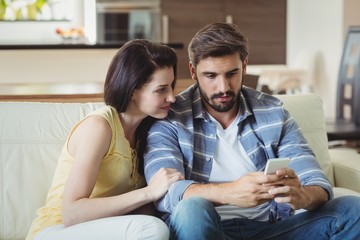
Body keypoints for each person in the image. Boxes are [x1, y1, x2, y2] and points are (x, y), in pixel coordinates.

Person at [144, 23, 360, 239]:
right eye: (211, 76)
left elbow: (316, 181)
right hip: (208, 230)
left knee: (352, 209)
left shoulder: (273, 112)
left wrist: (303, 196)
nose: (223, 87)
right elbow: (165, 194)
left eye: (232, 73)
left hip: (272, 230)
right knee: (192, 210)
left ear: (244, 66)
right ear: (193, 71)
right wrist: (231, 192)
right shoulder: (170, 117)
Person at [26, 39, 184, 240]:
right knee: (151, 229)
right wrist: (149, 192)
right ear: (133, 89)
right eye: (161, 89)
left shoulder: (147, 132)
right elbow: (71, 213)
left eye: (172, 86)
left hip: (99, 230)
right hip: (56, 231)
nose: (172, 97)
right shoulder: (99, 127)